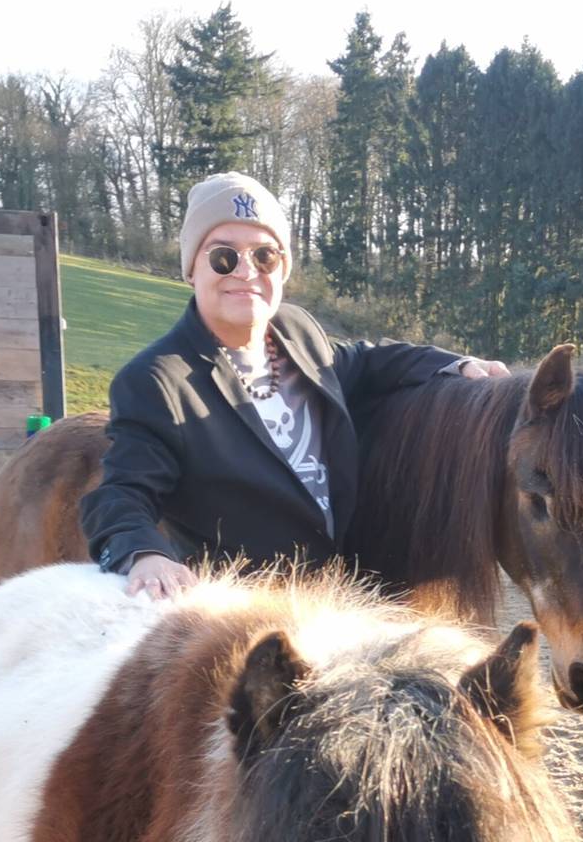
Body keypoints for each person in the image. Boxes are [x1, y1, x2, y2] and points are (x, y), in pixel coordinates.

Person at [80, 172, 504, 598]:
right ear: (192, 268)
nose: (246, 271)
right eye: (223, 256)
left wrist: (459, 364)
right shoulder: (158, 380)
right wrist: (143, 553)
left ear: (282, 268)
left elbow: (367, 359)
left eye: (264, 256)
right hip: (247, 624)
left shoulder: (297, 330)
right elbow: (121, 495)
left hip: (341, 603)